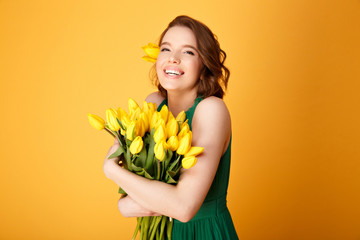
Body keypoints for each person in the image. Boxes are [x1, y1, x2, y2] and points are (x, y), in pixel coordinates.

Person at [103, 15, 239, 239]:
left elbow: (184, 208)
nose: (173, 58)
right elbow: (126, 204)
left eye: (188, 52)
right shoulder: (154, 104)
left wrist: (111, 171)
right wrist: (130, 204)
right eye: (166, 49)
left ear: (204, 64)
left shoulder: (211, 110)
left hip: (202, 234)